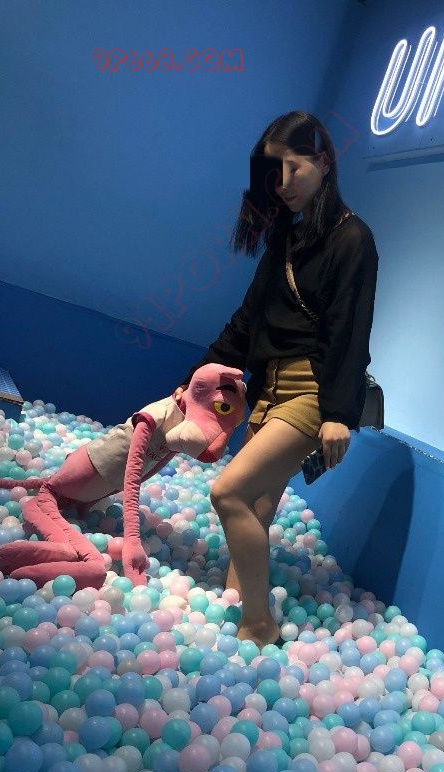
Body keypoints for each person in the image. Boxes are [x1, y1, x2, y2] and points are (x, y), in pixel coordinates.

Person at [174, 111, 379, 648]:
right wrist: (195, 379)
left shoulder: (352, 238)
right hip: (268, 389)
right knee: (259, 507)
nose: (282, 183)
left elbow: (350, 329)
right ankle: (234, 602)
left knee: (228, 492)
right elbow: (248, 321)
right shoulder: (286, 238)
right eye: (273, 172)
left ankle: (260, 623)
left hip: (311, 393)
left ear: (324, 162)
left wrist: (339, 414)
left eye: (293, 167)